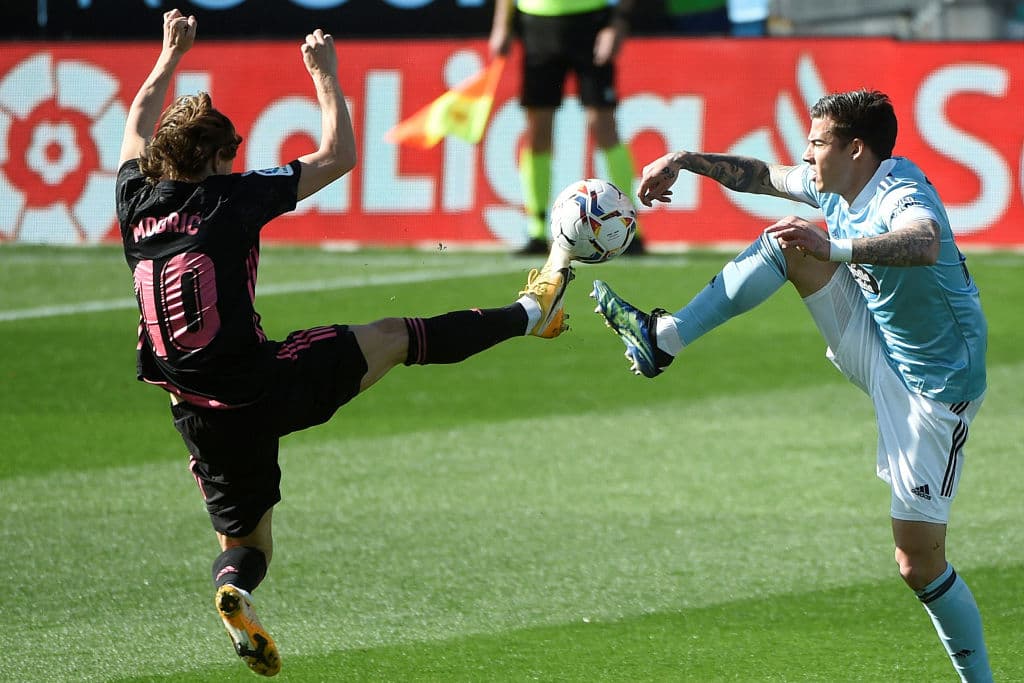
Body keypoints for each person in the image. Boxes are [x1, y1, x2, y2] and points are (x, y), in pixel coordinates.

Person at [116, 10, 574, 677]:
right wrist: (325, 75)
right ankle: (530, 313)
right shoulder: (231, 198)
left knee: (249, 545)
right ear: (215, 160)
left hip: (195, 411)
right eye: (230, 156)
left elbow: (134, 118)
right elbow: (339, 156)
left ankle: (235, 591)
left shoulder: (133, 201)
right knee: (393, 337)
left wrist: (167, 56)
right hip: (259, 382)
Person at [591, 89, 993, 682]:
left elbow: (925, 241)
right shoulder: (837, 183)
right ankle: (664, 337)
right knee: (788, 239)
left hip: (935, 393)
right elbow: (759, 175)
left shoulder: (897, 191)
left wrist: (836, 245)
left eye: (817, 142)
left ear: (856, 149)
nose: (806, 154)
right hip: (880, 344)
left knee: (918, 565)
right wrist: (683, 159)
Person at [489, 0, 646, 256]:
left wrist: (617, 22)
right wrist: (501, 25)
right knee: (537, 131)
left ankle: (630, 225)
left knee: (603, 125)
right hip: (536, 22)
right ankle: (537, 230)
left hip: (591, 21)